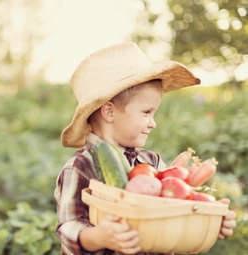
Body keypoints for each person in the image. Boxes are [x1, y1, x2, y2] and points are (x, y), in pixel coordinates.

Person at [54, 42, 236, 255]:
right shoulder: (79, 166)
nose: (153, 123)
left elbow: (173, 213)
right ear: (109, 112)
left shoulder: (153, 162)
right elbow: (69, 228)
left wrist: (208, 222)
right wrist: (99, 237)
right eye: (146, 112)